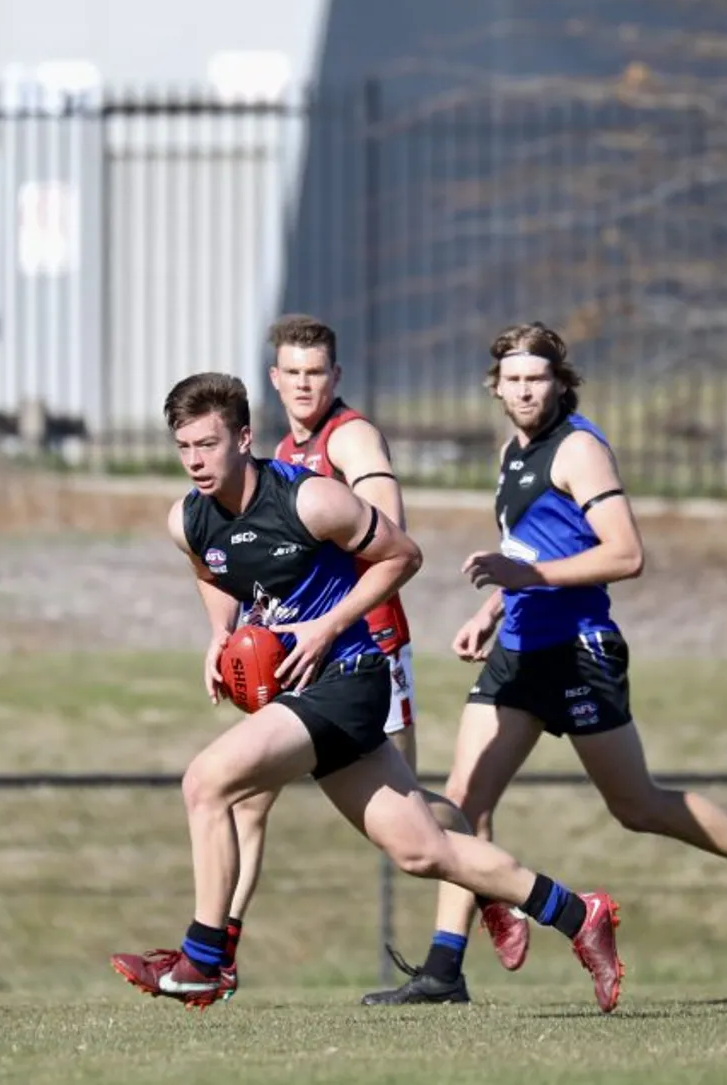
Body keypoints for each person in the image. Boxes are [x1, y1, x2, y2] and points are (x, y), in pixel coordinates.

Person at [109, 372, 624, 1013]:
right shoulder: (188, 519)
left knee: (206, 782)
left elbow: (402, 556)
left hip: (349, 675)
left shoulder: (311, 501)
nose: (195, 461)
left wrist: (327, 627)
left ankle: (205, 960)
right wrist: (221, 633)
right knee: (422, 850)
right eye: (184, 447)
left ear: (244, 437)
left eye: (208, 445)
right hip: (302, 688)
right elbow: (211, 568)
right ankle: (581, 915)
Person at [365, 323, 727, 1006]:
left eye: (538, 378)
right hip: (519, 653)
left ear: (560, 381)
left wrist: (527, 576)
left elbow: (625, 553)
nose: (525, 390)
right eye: (513, 379)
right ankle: (445, 970)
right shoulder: (511, 452)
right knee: (465, 805)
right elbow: (528, 546)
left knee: (638, 805)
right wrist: (494, 608)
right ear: (495, 385)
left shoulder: (580, 450)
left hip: (580, 652)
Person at [222, 314, 460, 978]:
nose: (304, 384)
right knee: (244, 792)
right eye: (292, 372)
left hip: (366, 647)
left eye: (316, 372)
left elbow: (390, 532)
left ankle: (488, 881)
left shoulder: (351, 438)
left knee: (414, 827)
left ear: (336, 376)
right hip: (301, 654)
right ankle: (220, 949)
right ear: (274, 378)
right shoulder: (280, 451)